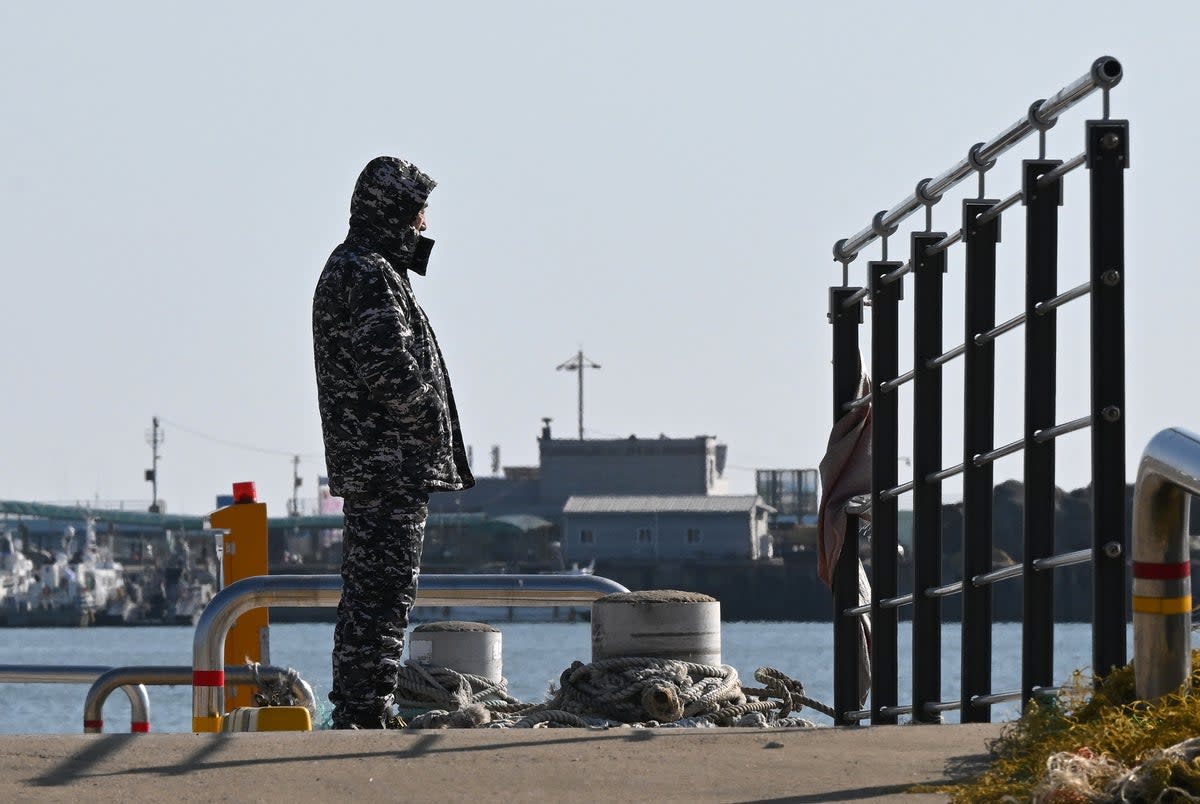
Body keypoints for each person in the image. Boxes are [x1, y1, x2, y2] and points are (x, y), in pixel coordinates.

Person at [312, 156, 474, 729]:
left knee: (373, 594)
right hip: (388, 464)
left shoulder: (362, 267)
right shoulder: (369, 271)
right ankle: (365, 710)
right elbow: (389, 369)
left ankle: (362, 705)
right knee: (382, 596)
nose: (424, 224)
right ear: (394, 214)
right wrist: (428, 421)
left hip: (379, 462)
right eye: (417, 211)